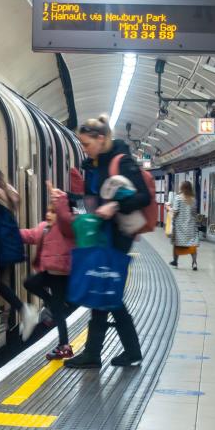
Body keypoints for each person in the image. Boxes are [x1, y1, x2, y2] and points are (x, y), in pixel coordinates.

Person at [66, 114, 150, 369]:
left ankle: (95, 353)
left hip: (118, 236)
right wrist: (68, 198)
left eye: (86, 144)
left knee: (106, 292)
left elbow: (143, 197)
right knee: (105, 292)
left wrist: (115, 205)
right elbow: (93, 199)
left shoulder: (121, 162)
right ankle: (125, 351)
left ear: (100, 138)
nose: (84, 148)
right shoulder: (94, 164)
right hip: (103, 234)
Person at [20, 186, 76, 360]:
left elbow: (66, 220)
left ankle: (64, 345)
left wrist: (59, 200)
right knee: (29, 282)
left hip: (62, 275)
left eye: (53, 212)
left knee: (58, 311)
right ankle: (52, 304)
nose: (49, 215)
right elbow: (29, 235)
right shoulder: (44, 228)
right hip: (49, 273)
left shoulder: (66, 228)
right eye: (48, 212)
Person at [0, 166, 39, 339]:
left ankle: (24, 310)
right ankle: (23, 311)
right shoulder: (6, 190)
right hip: (10, 246)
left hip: (2, 246)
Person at [170, 180, 200, 270]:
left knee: (177, 244)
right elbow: (194, 213)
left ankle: (175, 261)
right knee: (192, 245)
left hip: (180, 226)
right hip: (191, 226)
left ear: (182, 188)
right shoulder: (193, 200)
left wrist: (170, 214)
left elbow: (175, 211)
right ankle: (194, 263)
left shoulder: (178, 198)